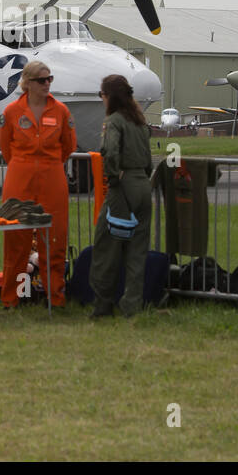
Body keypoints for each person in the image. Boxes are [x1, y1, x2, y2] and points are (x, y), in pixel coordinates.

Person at [0, 60, 77, 308]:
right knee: (16, 240)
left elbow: (69, 146)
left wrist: (47, 165)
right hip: (19, 177)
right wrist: (25, 165)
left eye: (49, 79)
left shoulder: (61, 111)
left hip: (52, 177)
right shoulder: (11, 112)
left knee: (54, 238)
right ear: (28, 83)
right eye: (42, 80)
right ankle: (12, 297)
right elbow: (5, 147)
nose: (47, 84)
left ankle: (55, 297)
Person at [89, 74, 153, 318]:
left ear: (109, 97)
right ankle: (131, 306)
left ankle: (102, 304)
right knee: (138, 250)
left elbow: (110, 151)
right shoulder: (139, 120)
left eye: (101, 95)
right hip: (142, 185)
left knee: (107, 246)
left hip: (123, 187)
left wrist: (114, 179)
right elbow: (148, 158)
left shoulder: (113, 121)